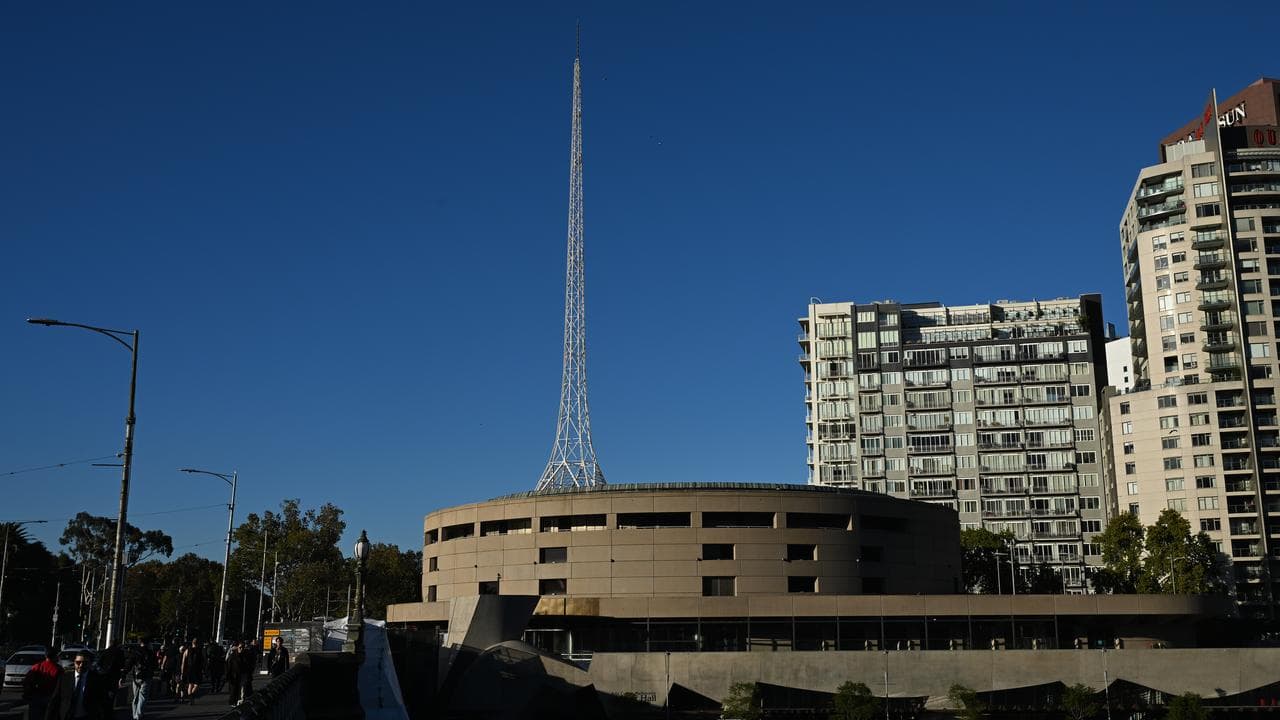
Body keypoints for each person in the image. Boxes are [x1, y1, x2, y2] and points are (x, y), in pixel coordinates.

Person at [44, 652, 106, 720]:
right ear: (74, 662)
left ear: (90, 664)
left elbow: (103, 701)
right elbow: (55, 700)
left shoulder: (97, 680)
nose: (81, 665)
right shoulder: (64, 678)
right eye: (78, 662)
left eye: (85, 663)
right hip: (66, 716)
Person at [22, 648, 61, 720]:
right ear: (55, 656)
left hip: (35, 698)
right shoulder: (58, 669)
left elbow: (26, 682)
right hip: (51, 698)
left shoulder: (36, 666)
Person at [124, 645, 155, 720]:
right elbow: (155, 665)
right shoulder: (150, 653)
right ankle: (138, 715)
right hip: (146, 676)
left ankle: (135, 714)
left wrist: (123, 675)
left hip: (136, 676)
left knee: (135, 697)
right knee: (143, 697)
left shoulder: (136, 653)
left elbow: (129, 664)